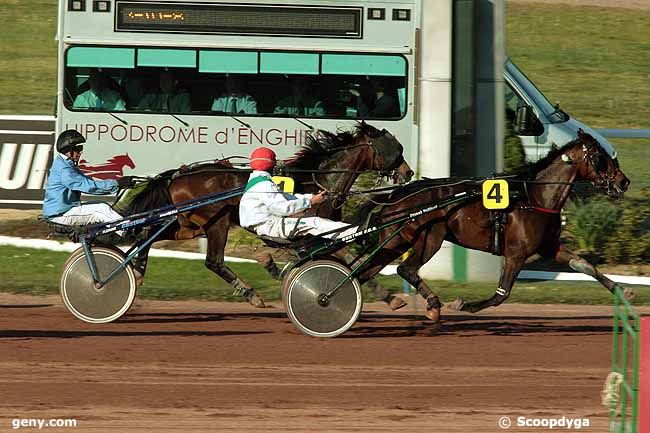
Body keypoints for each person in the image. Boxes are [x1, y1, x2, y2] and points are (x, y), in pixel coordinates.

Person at [239, 147, 358, 240]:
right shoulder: (264, 184)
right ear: (270, 164)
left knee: (315, 221)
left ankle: (350, 233)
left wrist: (312, 197)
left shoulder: (257, 181)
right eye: (274, 161)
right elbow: (283, 208)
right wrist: (310, 202)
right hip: (270, 226)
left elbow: (286, 197)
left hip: (268, 224)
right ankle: (356, 233)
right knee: (315, 222)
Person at [43, 130, 134, 226]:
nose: (81, 152)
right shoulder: (64, 170)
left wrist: (117, 184)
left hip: (64, 211)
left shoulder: (65, 163)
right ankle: (127, 231)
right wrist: (117, 183)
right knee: (102, 210)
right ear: (68, 150)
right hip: (60, 216)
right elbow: (89, 186)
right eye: (78, 148)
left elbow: (89, 182)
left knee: (100, 203)